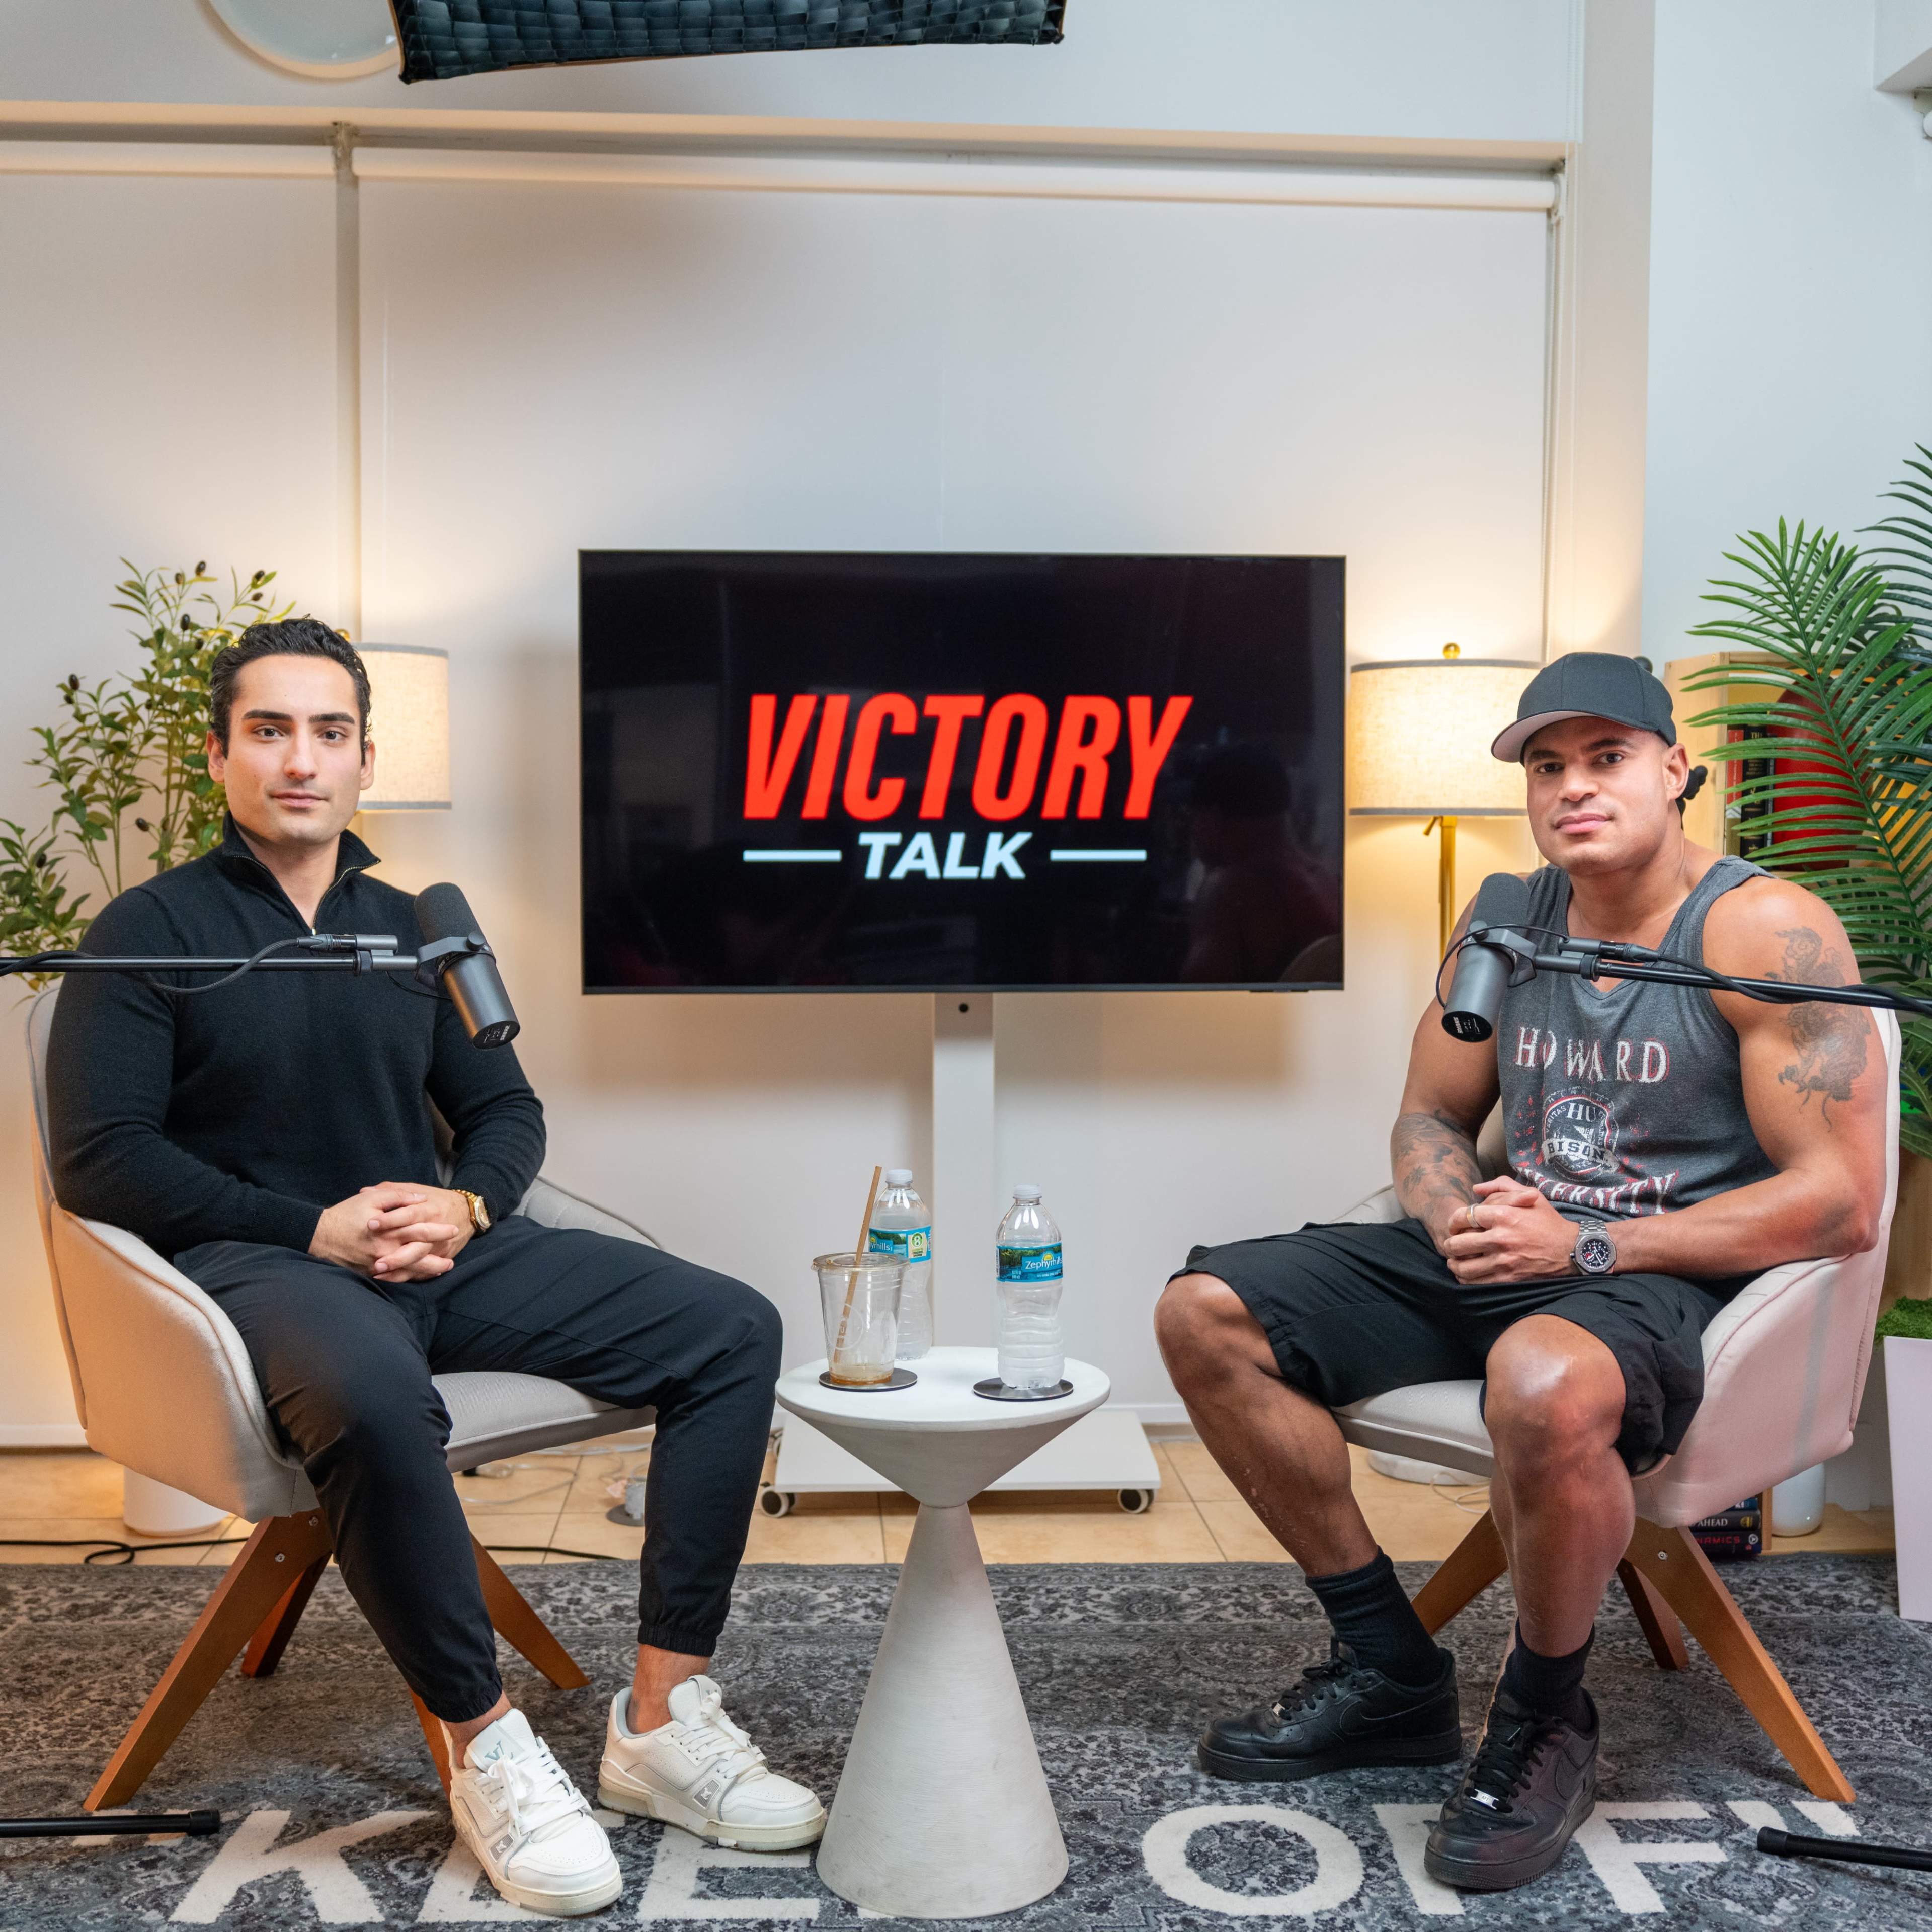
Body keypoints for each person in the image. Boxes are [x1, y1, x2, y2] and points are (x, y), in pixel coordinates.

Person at [47, 619, 824, 1918]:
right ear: (220, 753)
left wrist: (465, 1206)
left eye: (331, 732)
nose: (303, 760)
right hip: (266, 1267)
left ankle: (661, 1721)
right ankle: (486, 1746)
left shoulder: (417, 927)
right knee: (369, 1398)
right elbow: (102, 1160)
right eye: (271, 730)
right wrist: (313, 1230)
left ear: (364, 757)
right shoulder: (150, 928)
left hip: (437, 1254)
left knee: (732, 1330)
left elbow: (508, 1111)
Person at [1155, 652, 1886, 1894]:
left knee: (1541, 1377)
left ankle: (1548, 1717)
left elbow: (1843, 1200)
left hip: (1668, 1265)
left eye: (1607, 759)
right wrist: (1457, 1221)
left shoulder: (1767, 927)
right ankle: (1389, 1668)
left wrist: (1586, 1245)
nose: (1573, 788)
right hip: (1514, 1244)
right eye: (1549, 767)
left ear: (1677, 769)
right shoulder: (1506, 916)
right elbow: (1430, 1119)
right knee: (1206, 1314)